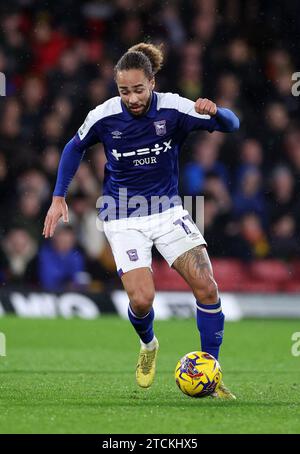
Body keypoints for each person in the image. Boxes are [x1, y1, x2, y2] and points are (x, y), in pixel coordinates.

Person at [43, 42, 240, 398]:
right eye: (124, 91)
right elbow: (74, 147)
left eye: (138, 89)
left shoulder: (175, 107)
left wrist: (217, 111)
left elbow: (231, 124)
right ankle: (148, 345)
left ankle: (210, 370)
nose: (132, 98)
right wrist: (59, 197)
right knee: (142, 300)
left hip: (168, 211)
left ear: (152, 81)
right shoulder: (104, 115)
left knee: (207, 286)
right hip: (123, 215)